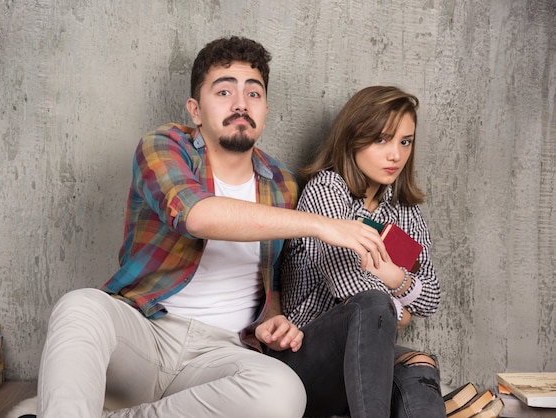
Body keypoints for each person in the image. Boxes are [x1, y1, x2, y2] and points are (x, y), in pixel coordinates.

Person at [33, 37, 391, 418]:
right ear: (196, 109)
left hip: (221, 357)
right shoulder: (165, 146)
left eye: (253, 94)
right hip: (145, 335)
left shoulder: (282, 185)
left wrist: (273, 321)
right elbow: (197, 216)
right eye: (224, 91)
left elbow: (270, 284)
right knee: (81, 306)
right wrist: (323, 226)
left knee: (283, 392)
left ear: (265, 110)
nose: (240, 104)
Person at [268, 86, 446, 418]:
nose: (395, 155)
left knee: (419, 364)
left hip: (365, 355)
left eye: (404, 142)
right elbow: (349, 286)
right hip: (302, 356)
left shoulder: (406, 213)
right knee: (374, 303)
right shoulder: (326, 191)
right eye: (381, 140)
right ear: (353, 139)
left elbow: (432, 298)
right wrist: (401, 302)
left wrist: (394, 277)